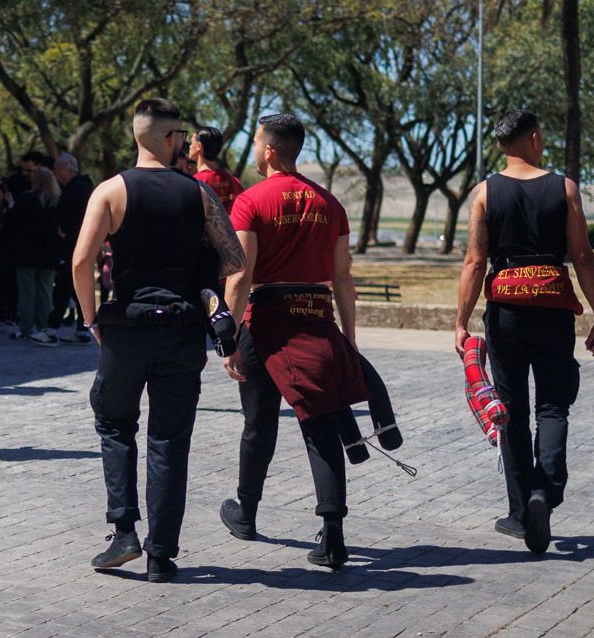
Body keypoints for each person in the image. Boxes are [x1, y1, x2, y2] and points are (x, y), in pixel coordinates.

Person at [71, 98, 245, 583]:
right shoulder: (199, 195)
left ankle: (123, 531)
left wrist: (91, 319)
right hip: (182, 331)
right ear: (171, 140)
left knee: (114, 424)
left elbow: (82, 262)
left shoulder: (110, 191)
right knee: (170, 440)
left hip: (126, 328)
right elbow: (234, 259)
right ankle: (161, 554)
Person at [452, 109, 594, 556]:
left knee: (511, 411)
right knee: (553, 406)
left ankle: (521, 511)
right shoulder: (564, 188)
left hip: (505, 313)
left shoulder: (484, 192)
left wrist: (461, 321)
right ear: (536, 139)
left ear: (503, 145)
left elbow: (474, 261)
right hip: (553, 308)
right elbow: (582, 255)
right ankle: (546, 491)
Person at [218, 112, 368, 569]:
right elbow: (343, 279)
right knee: (320, 422)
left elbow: (240, 275)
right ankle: (333, 530)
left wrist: (230, 334)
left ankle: (246, 512)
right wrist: (349, 338)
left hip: (264, 321)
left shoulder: (250, 201)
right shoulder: (330, 204)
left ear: (267, 149)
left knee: (258, 422)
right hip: (317, 317)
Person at [0, 152, 39, 334]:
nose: (26, 174)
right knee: (1, 276)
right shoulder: (12, 181)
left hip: (30, 239)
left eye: (30, 170)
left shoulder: (44, 183)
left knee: (22, 280)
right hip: (9, 236)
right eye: (24, 169)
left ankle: (15, 316)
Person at [9, 166, 63, 344]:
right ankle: (44, 327)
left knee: (27, 292)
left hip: (26, 251)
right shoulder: (57, 201)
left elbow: (13, 222)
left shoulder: (26, 199)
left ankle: (26, 328)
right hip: (49, 253)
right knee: (45, 292)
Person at [50, 153, 95, 340]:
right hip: (78, 245)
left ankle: (51, 329)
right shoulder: (81, 187)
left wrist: (65, 230)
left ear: (64, 168)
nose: (55, 174)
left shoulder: (77, 190)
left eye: (56, 169)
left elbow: (76, 216)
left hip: (72, 246)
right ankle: (83, 328)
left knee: (64, 286)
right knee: (74, 287)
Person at [191, 126, 244, 209]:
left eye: (191, 143)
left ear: (198, 146)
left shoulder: (194, 183)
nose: (190, 147)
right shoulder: (235, 182)